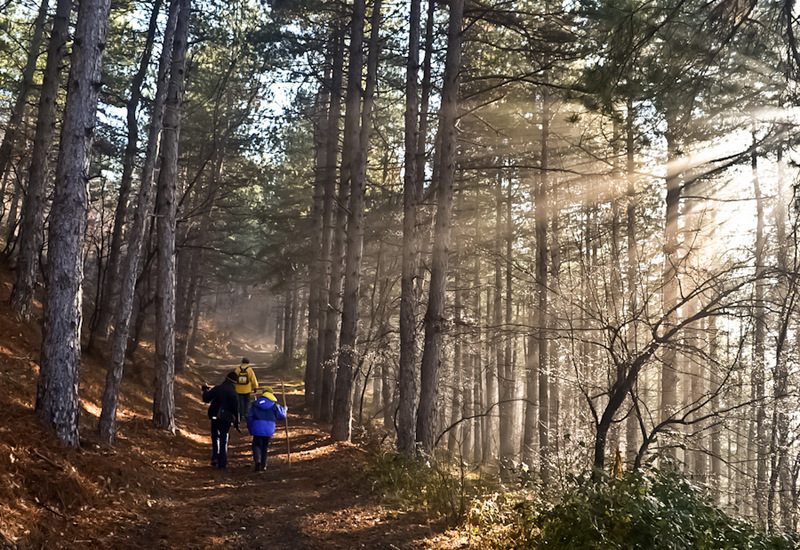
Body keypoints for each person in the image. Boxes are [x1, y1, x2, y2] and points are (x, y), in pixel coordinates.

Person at [201, 370, 240, 469]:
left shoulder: (217, 389)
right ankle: (222, 461)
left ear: (226, 378)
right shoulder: (233, 392)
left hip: (215, 416)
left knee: (215, 437)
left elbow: (206, 399)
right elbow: (235, 409)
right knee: (224, 437)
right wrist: (237, 421)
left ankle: (215, 457)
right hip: (226, 418)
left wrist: (205, 390)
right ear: (234, 382)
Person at [246, 386, 286, 472]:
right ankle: (263, 465)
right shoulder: (275, 405)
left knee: (256, 445)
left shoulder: (256, 403)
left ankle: (257, 460)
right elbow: (281, 416)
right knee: (265, 446)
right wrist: (285, 410)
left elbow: (250, 417)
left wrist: (249, 427)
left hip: (257, 427)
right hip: (269, 428)